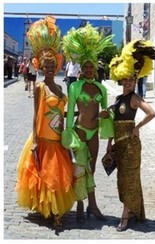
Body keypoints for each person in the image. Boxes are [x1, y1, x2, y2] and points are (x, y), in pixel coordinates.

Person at [16, 15, 75, 233]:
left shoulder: (61, 89)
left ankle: (55, 211)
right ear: (41, 67)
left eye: (53, 65)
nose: (50, 68)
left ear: (57, 66)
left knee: (59, 177)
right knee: (47, 176)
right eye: (46, 65)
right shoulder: (40, 88)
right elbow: (35, 115)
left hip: (59, 139)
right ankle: (52, 213)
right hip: (43, 138)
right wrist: (35, 142)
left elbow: (62, 112)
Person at [61, 23, 114, 223]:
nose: (90, 69)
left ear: (96, 68)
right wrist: (68, 134)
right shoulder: (74, 86)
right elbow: (69, 111)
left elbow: (106, 113)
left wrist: (105, 117)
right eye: (86, 67)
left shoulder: (102, 89)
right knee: (80, 170)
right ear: (81, 69)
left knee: (92, 169)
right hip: (80, 132)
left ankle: (93, 205)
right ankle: (82, 205)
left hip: (94, 134)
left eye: (92, 66)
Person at [108, 39, 155, 231]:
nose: (128, 82)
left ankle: (125, 217)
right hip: (119, 145)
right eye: (126, 79)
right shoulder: (119, 98)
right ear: (121, 79)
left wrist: (138, 127)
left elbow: (151, 113)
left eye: (132, 79)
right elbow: (113, 121)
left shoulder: (135, 98)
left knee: (129, 180)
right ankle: (137, 211)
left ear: (135, 81)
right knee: (124, 180)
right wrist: (110, 143)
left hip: (130, 145)